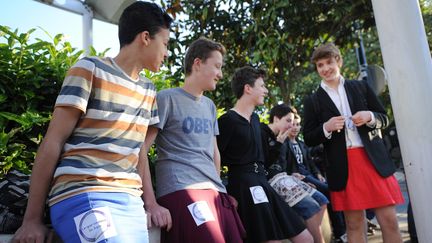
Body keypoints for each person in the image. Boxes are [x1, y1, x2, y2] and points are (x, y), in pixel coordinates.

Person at [12, 2, 173, 242]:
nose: (167, 53)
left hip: (129, 202)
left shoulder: (149, 90)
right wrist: (32, 219)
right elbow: (53, 140)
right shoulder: (89, 69)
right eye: (166, 44)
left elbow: (139, 151)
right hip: (82, 192)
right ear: (146, 37)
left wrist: (151, 203)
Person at [140, 37, 245, 243]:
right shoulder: (166, 98)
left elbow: (214, 152)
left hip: (215, 192)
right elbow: (141, 149)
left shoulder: (209, 106)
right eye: (216, 66)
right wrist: (151, 203)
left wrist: (219, 189)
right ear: (197, 64)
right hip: (181, 190)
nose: (220, 74)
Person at [303, 42, 404, 243]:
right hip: (343, 166)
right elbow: (309, 137)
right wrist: (326, 128)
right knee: (355, 225)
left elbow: (383, 118)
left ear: (338, 61)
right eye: (320, 65)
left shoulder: (360, 87)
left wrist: (369, 116)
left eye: (329, 62)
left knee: (390, 221)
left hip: (374, 161)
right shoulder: (313, 100)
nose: (325, 69)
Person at [217, 66, 313, 243]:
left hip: (263, 183)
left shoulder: (255, 121)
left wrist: (279, 142)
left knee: (305, 238)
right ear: (248, 88)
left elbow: (264, 161)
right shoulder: (227, 121)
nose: (266, 90)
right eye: (261, 86)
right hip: (243, 187)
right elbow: (214, 158)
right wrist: (222, 192)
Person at [260, 104, 328, 243]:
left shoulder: (284, 138)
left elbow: (284, 166)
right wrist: (278, 142)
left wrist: (294, 176)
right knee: (311, 207)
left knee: (322, 200)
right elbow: (265, 163)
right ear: (276, 119)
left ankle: (317, 236)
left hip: (286, 177)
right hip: (271, 180)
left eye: (294, 122)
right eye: (288, 121)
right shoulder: (262, 132)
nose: (292, 126)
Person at [285, 113, 347, 242]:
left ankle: (342, 230)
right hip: (299, 176)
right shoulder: (284, 144)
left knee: (333, 190)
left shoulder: (302, 144)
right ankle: (340, 231)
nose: (295, 127)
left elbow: (311, 163)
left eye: (297, 124)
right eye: (292, 124)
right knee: (330, 191)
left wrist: (318, 174)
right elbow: (285, 166)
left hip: (309, 174)